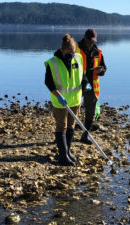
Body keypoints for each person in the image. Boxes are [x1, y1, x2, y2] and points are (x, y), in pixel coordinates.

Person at [44, 33, 85, 166]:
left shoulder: (78, 58)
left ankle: (68, 152)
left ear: (76, 49)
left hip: (75, 99)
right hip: (60, 101)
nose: (71, 55)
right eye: (68, 53)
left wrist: (86, 83)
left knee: (71, 126)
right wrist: (58, 96)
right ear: (62, 50)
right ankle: (62, 157)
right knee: (62, 126)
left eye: (73, 52)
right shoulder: (53, 63)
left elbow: (82, 76)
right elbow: (48, 83)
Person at [77, 29, 107, 144]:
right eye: (90, 40)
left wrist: (101, 70)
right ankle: (63, 135)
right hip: (77, 85)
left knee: (91, 112)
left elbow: (104, 68)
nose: (91, 43)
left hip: (92, 86)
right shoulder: (75, 49)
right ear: (84, 38)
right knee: (72, 111)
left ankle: (86, 135)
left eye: (93, 40)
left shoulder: (97, 52)